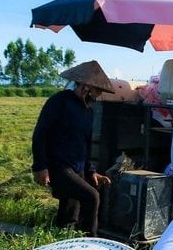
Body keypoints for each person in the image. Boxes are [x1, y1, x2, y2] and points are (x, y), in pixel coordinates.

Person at [31, 60, 114, 236]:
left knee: (70, 213)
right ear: (85, 87)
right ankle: (91, 242)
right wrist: (40, 167)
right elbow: (40, 134)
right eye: (96, 91)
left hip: (76, 168)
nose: (97, 96)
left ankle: (63, 242)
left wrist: (91, 171)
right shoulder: (59, 102)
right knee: (92, 197)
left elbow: (85, 144)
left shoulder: (88, 111)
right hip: (58, 166)